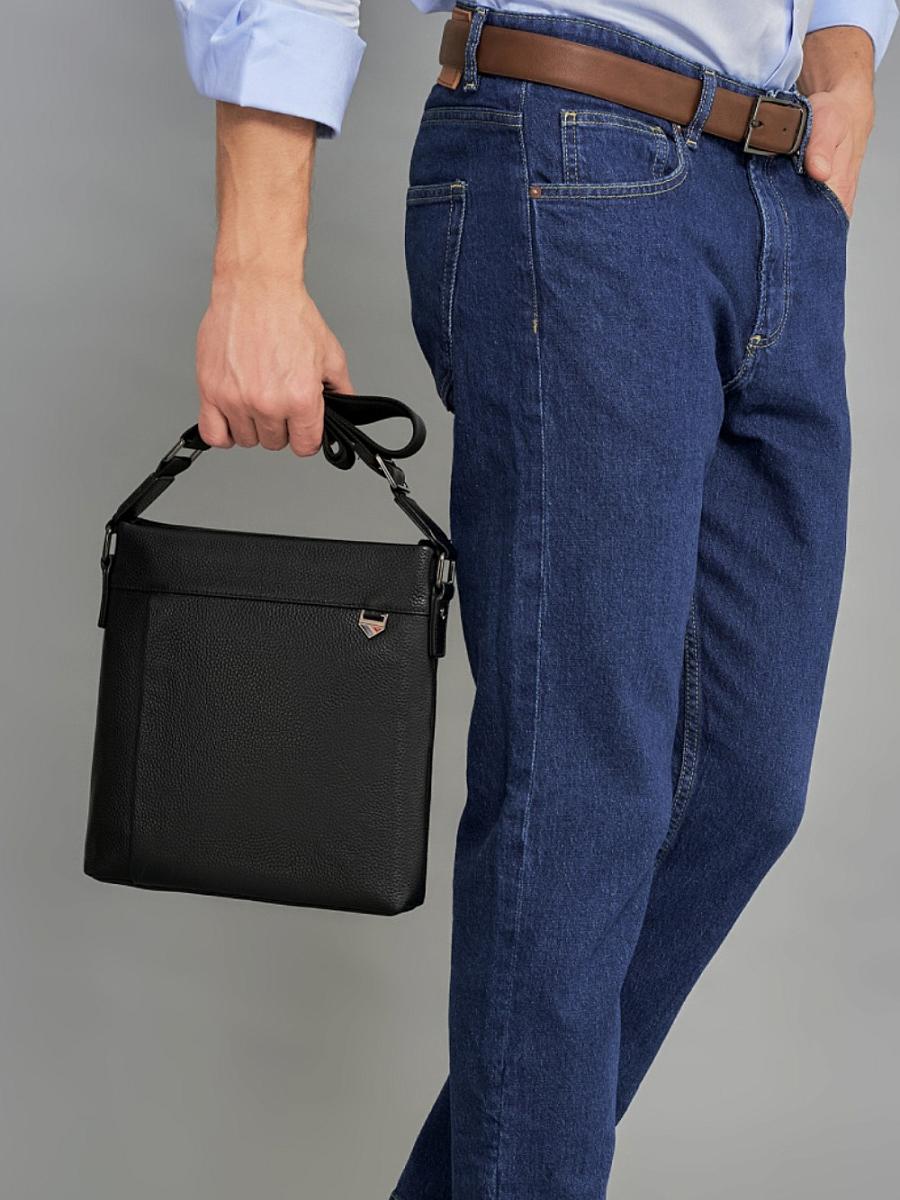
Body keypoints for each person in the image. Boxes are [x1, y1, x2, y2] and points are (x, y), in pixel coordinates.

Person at [170, 3, 896, 1197]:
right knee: (581, 799)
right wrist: (255, 264)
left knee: (741, 787)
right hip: (579, 143)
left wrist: (848, 48)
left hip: (782, 188)